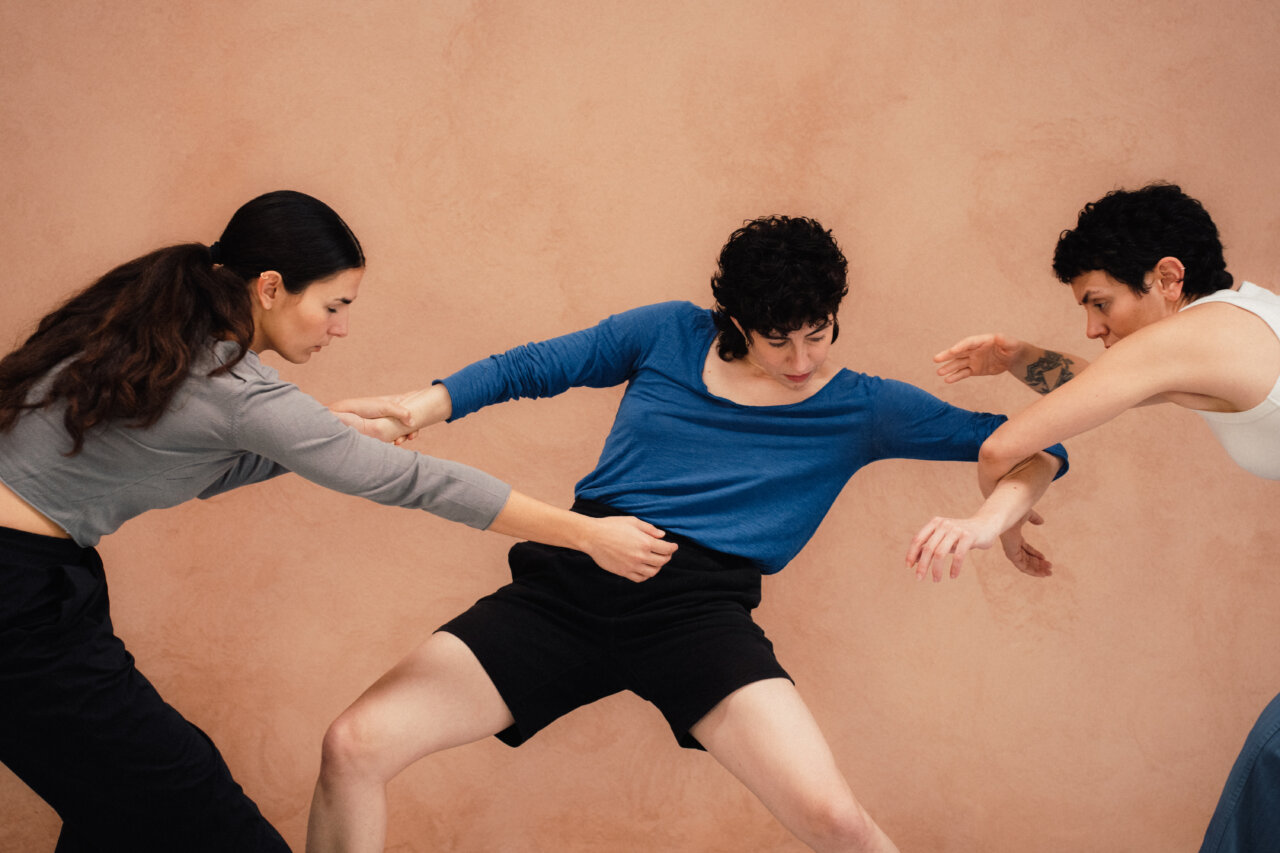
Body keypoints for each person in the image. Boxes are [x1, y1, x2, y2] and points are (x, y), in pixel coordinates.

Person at [310, 215, 1070, 853]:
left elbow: (1047, 441)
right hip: (570, 586)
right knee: (353, 745)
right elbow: (534, 366)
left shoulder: (864, 406)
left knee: (836, 819)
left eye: (819, 332)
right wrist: (414, 409)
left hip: (696, 614)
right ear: (735, 321)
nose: (802, 361)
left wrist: (994, 498)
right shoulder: (667, 334)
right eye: (779, 340)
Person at [0, 190, 674, 853]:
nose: (340, 327)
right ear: (269, 287)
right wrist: (585, 531)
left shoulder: (156, 333)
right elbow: (416, 480)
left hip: (43, 579)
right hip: (21, 596)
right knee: (189, 806)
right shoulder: (233, 384)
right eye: (333, 306)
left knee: (115, 809)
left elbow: (189, 462)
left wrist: (324, 434)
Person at [916, 182, 1280, 853]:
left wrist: (998, 524)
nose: (1092, 326)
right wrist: (1014, 356)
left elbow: (1003, 445)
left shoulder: (1188, 340)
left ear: (1167, 276)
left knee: (1269, 778)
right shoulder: (1241, 315)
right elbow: (1120, 384)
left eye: (1099, 302)